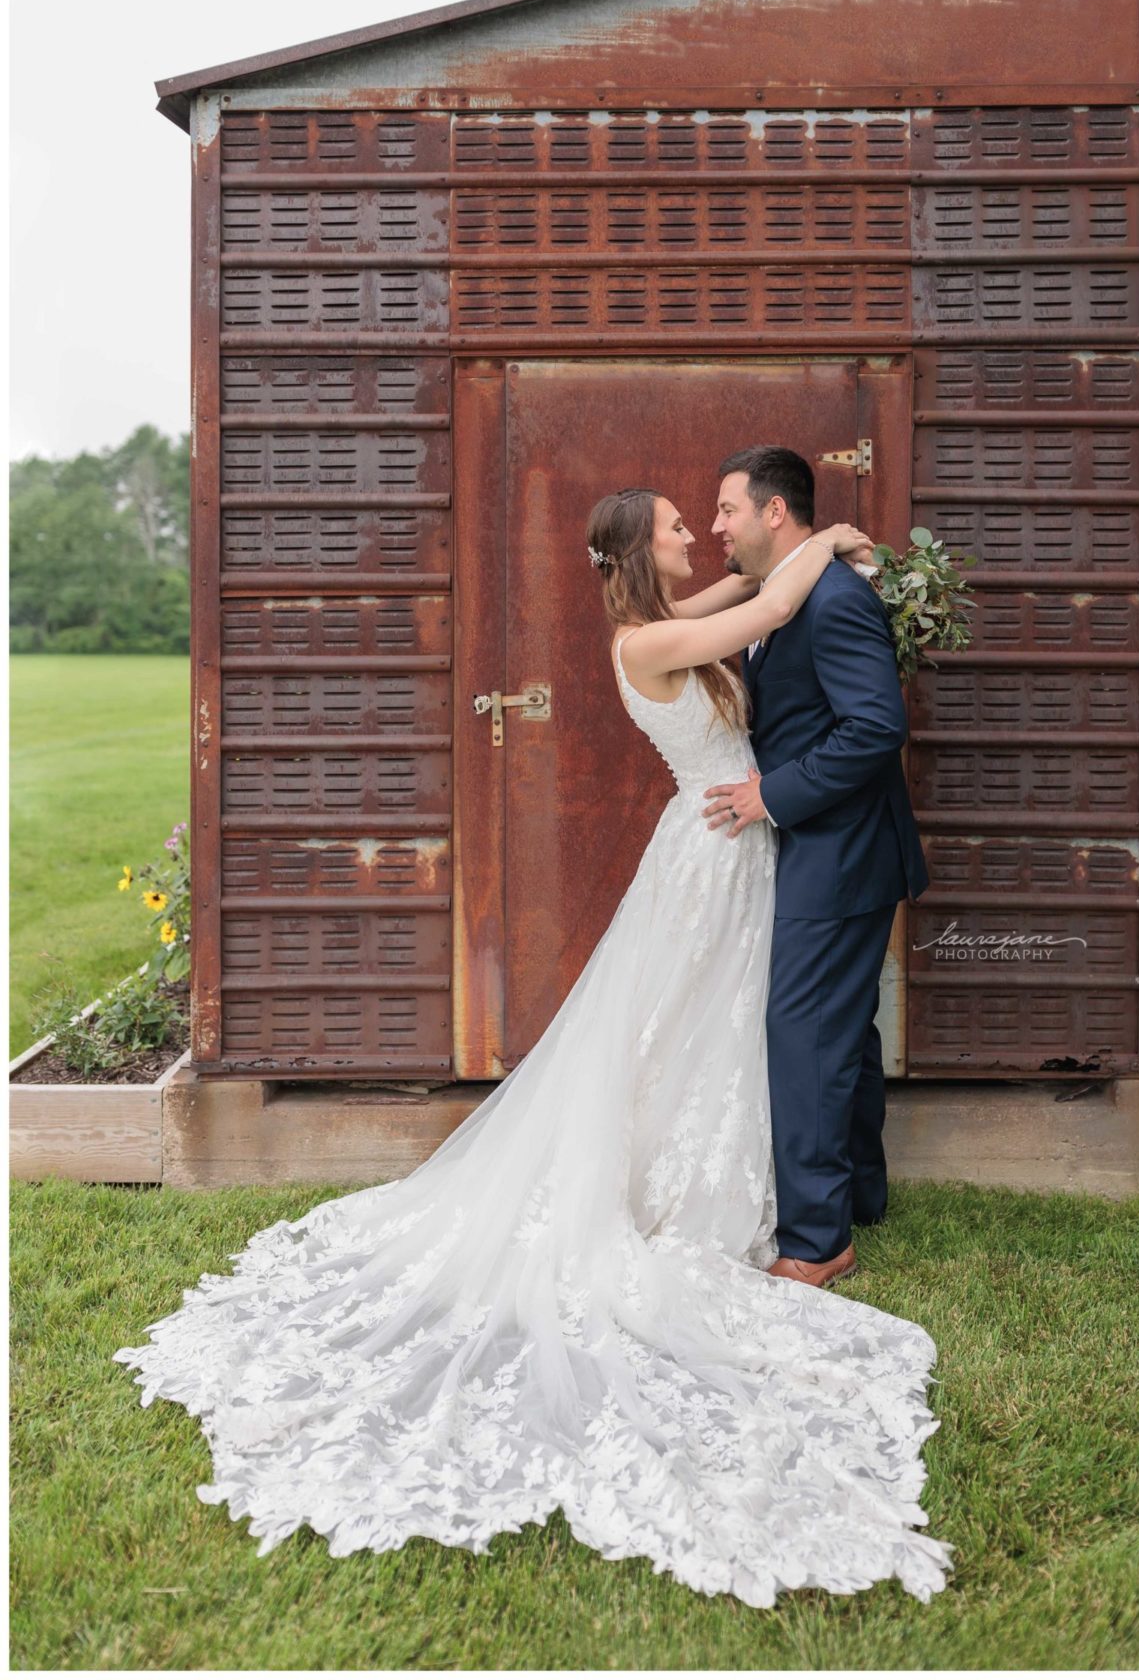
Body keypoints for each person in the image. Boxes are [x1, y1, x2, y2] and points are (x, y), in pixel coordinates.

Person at [113, 484, 953, 1609]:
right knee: (689, 1025)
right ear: (634, 551)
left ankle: (791, 1178)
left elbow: (754, 585)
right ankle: (700, 1188)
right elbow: (761, 608)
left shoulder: (674, 609)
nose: (691, 530)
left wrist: (803, 554)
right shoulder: (647, 637)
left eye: (699, 515)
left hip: (743, 852)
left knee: (734, 1028)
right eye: (672, 522)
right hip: (712, 853)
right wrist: (832, 542)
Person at [702, 447, 930, 1287]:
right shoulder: (788, 592)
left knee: (803, 1036)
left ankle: (816, 1240)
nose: (716, 525)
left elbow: (875, 727)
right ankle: (860, 1193)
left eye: (726, 509)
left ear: (772, 512)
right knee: (842, 1032)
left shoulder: (830, 598)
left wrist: (773, 797)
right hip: (828, 848)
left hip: (840, 855)